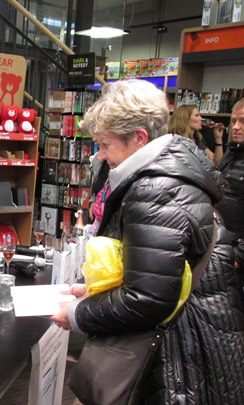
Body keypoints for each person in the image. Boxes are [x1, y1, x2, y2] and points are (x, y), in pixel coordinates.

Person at [51, 79, 244, 403]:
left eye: (106, 145)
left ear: (139, 138)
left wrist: (78, 314)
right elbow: (160, 274)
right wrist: (98, 292)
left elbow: (148, 298)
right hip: (202, 340)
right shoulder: (175, 173)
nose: (100, 156)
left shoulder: (154, 191)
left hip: (179, 360)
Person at [213, 98, 244, 309]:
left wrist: (239, 255)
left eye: (242, 121)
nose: (236, 127)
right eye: (234, 121)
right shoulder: (233, 152)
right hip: (223, 246)